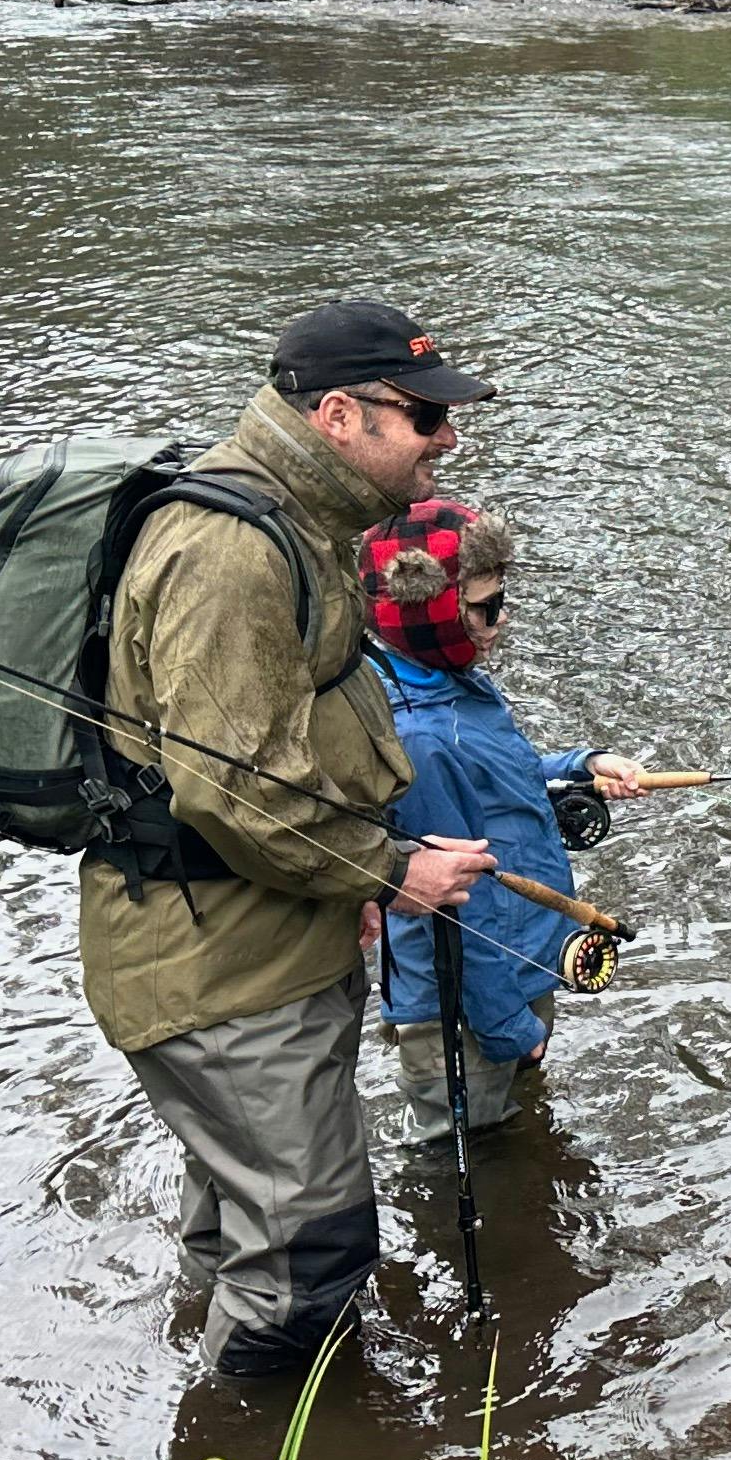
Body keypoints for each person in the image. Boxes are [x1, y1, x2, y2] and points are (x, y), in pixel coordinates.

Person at [81, 299, 502, 1379]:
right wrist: (396, 868)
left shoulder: (300, 522)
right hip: (219, 968)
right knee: (311, 1246)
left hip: (256, 931)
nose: (446, 438)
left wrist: (343, 880)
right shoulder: (230, 551)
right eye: (424, 416)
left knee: (241, 1221)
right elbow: (235, 790)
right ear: (337, 416)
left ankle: (206, 1402)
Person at [361, 498, 639, 1143]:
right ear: (436, 617)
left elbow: (499, 777)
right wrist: (509, 1027)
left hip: (517, 974)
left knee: (519, 1131)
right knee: (472, 1152)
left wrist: (580, 764)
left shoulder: (448, 687)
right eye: (486, 608)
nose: (501, 618)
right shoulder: (421, 740)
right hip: (473, 1001)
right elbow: (462, 913)